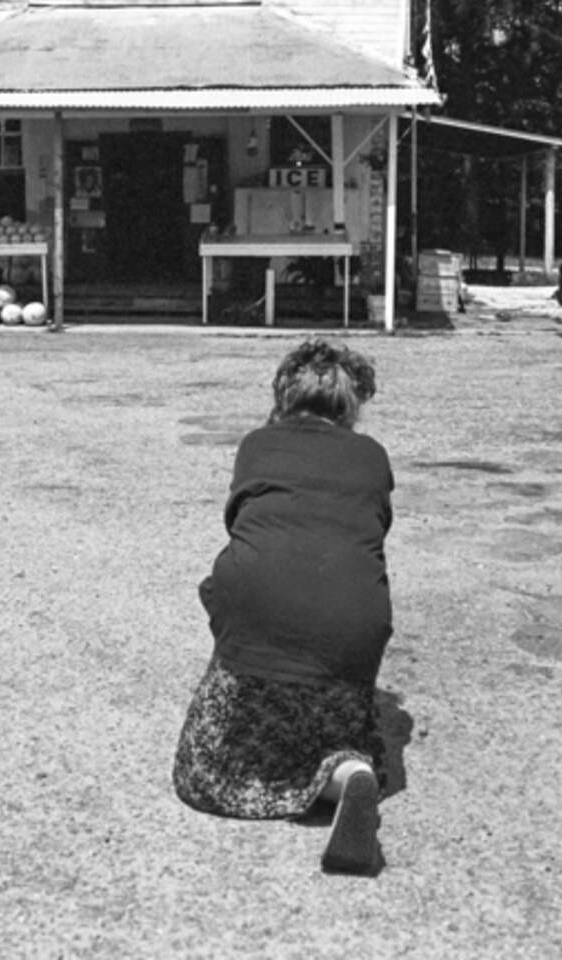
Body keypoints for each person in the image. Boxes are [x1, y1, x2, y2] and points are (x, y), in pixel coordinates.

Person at [173, 338, 396, 876]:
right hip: (353, 631)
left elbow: (240, 527)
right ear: (350, 404)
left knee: (201, 773)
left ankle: (259, 711)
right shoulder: (372, 457)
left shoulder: (256, 445)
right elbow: (371, 533)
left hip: (258, 612)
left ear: (283, 396)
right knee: (336, 710)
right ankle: (347, 772)